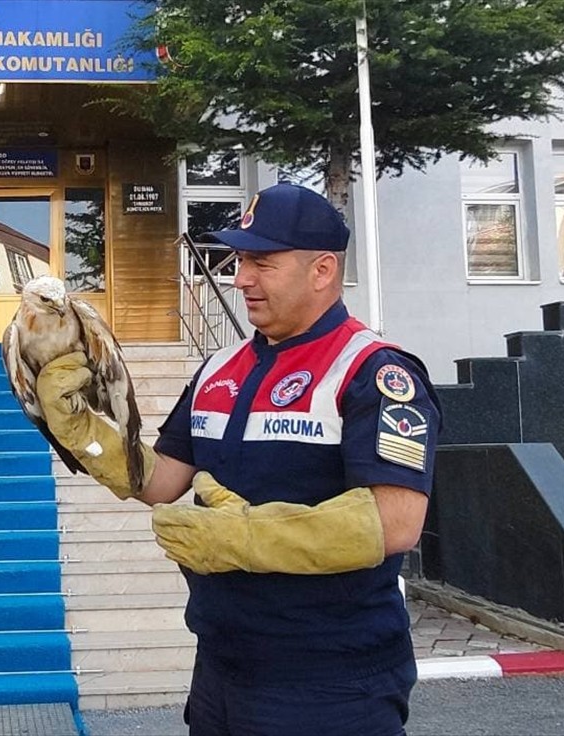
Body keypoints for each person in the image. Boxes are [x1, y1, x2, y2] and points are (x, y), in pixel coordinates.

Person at [37, 183, 440, 735]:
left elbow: (396, 522)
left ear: (322, 270)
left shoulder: (374, 371)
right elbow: (159, 480)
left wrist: (245, 538)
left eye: (262, 263)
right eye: (241, 259)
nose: (240, 278)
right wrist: (80, 429)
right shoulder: (218, 368)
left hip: (331, 680)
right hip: (221, 667)